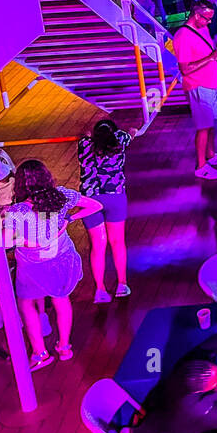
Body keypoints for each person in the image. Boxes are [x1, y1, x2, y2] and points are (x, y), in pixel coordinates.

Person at [3, 161, 103, 370]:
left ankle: (40, 353)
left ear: (20, 184)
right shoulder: (62, 196)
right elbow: (96, 205)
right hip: (62, 260)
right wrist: (70, 218)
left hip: (32, 267)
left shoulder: (18, 211)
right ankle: (64, 347)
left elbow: (5, 241)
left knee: (26, 304)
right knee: (61, 299)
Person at [170, 2, 217, 179]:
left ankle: (211, 155)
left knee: (212, 123)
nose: (209, 22)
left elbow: (207, 52)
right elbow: (185, 69)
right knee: (203, 127)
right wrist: (211, 58)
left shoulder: (202, 28)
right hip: (198, 85)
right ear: (196, 15)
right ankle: (201, 165)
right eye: (207, 18)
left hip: (211, 82)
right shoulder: (183, 36)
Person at [76, 119, 133, 304]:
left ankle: (100, 289)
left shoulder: (85, 145)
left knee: (98, 245)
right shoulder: (120, 140)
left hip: (90, 201)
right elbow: (131, 131)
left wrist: (88, 135)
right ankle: (122, 284)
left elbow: (84, 135)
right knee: (117, 242)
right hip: (115, 197)